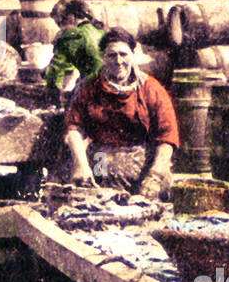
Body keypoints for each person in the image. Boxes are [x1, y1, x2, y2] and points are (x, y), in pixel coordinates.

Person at [64, 28, 178, 199]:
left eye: (123, 54)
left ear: (133, 54)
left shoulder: (152, 89)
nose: (118, 61)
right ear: (103, 57)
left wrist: (155, 176)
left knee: (144, 207)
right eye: (111, 55)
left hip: (143, 166)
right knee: (99, 204)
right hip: (101, 160)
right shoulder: (90, 88)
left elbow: (167, 137)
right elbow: (73, 127)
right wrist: (81, 165)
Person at [44, 0, 104, 101]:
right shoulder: (100, 30)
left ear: (71, 17)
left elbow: (57, 68)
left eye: (60, 23)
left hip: (95, 90)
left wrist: (49, 85)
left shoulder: (72, 35)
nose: (59, 28)